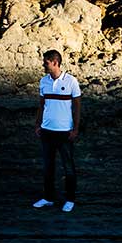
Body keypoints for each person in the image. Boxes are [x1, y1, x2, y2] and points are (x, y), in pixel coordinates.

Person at [32, 49, 81, 212]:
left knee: (68, 167)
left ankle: (70, 199)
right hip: (47, 131)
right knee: (48, 166)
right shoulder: (43, 82)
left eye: (45, 62)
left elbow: (77, 106)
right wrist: (38, 125)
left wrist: (75, 129)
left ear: (55, 62)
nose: (43, 65)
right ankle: (48, 198)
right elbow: (41, 105)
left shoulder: (71, 81)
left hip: (64, 132)